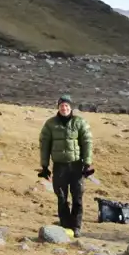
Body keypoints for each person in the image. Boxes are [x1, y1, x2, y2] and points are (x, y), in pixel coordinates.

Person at [38, 94, 94, 237]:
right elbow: (44, 144)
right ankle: (65, 225)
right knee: (61, 197)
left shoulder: (79, 122)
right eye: (62, 106)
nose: (64, 108)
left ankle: (76, 227)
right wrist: (45, 166)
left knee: (77, 197)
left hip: (76, 165)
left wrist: (87, 163)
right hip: (59, 166)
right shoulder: (50, 124)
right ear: (58, 107)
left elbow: (87, 142)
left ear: (71, 107)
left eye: (67, 105)